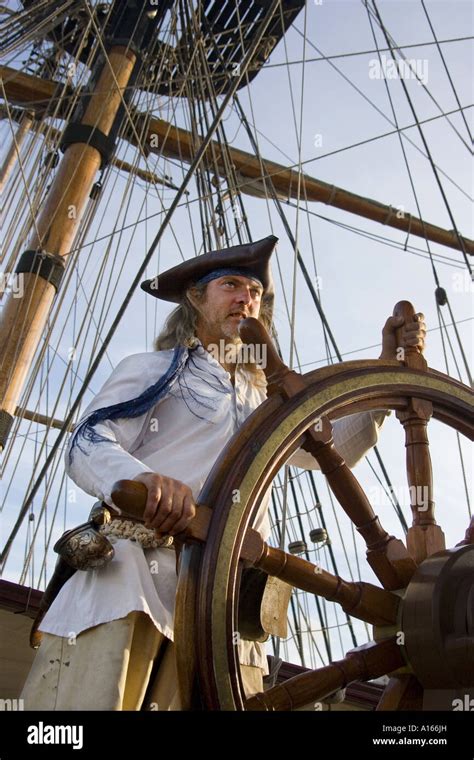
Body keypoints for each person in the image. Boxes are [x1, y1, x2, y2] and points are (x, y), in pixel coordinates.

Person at [20, 235, 426, 710]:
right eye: (231, 285)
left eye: (254, 292)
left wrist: (384, 370)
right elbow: (87, 443)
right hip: (133, 580)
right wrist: (144, 480)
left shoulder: (263, 402)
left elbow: (327, 451)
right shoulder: (153, 369)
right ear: (195, 298)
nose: (245, 299)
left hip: (224, 600)